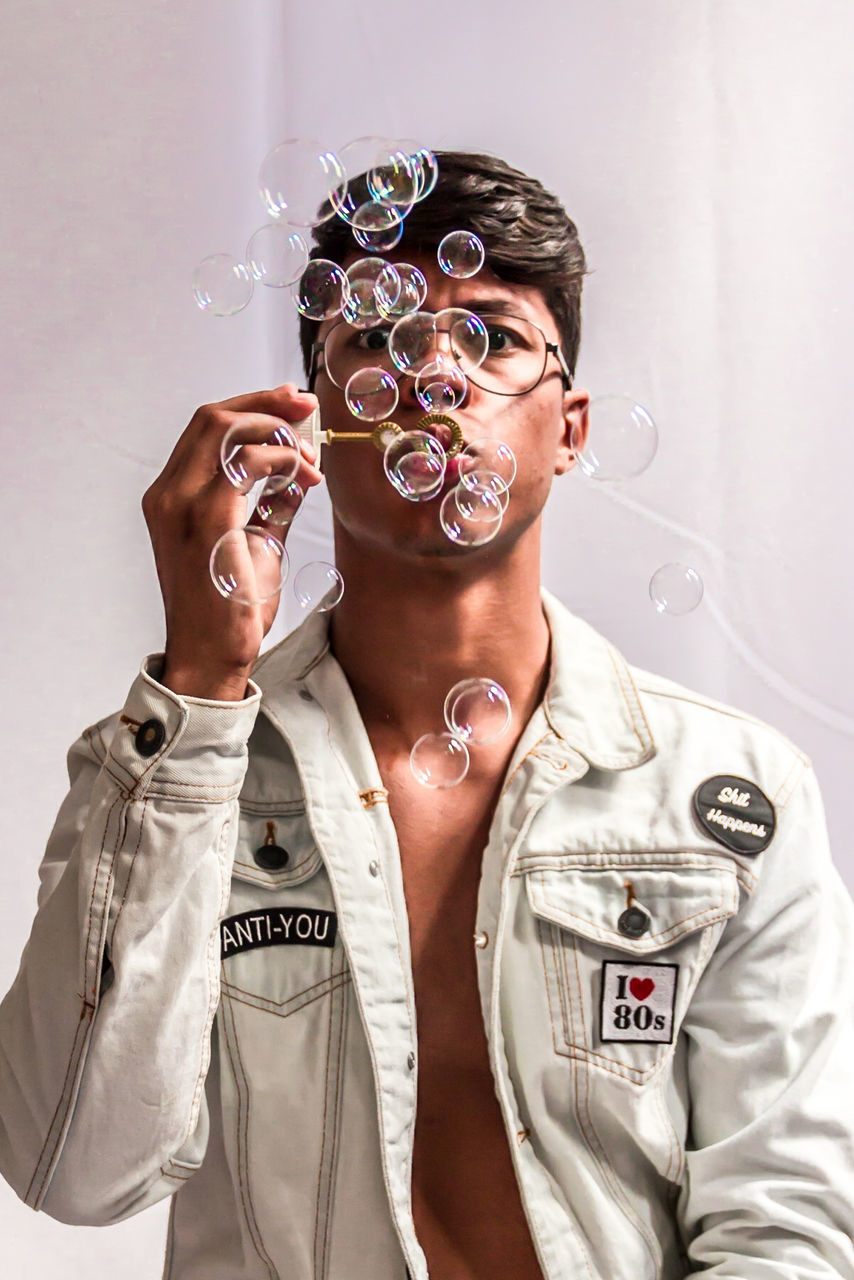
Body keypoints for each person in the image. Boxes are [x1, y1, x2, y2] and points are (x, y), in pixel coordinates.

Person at [1, 150, 853, 1280]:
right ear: (314, 423)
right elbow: (72, 1165)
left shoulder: (730, 796)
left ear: (570, 425)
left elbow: (784, 1220)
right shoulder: (172, 770)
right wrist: (202, 679)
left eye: (493, 337)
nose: (436, 377)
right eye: (378, 341)